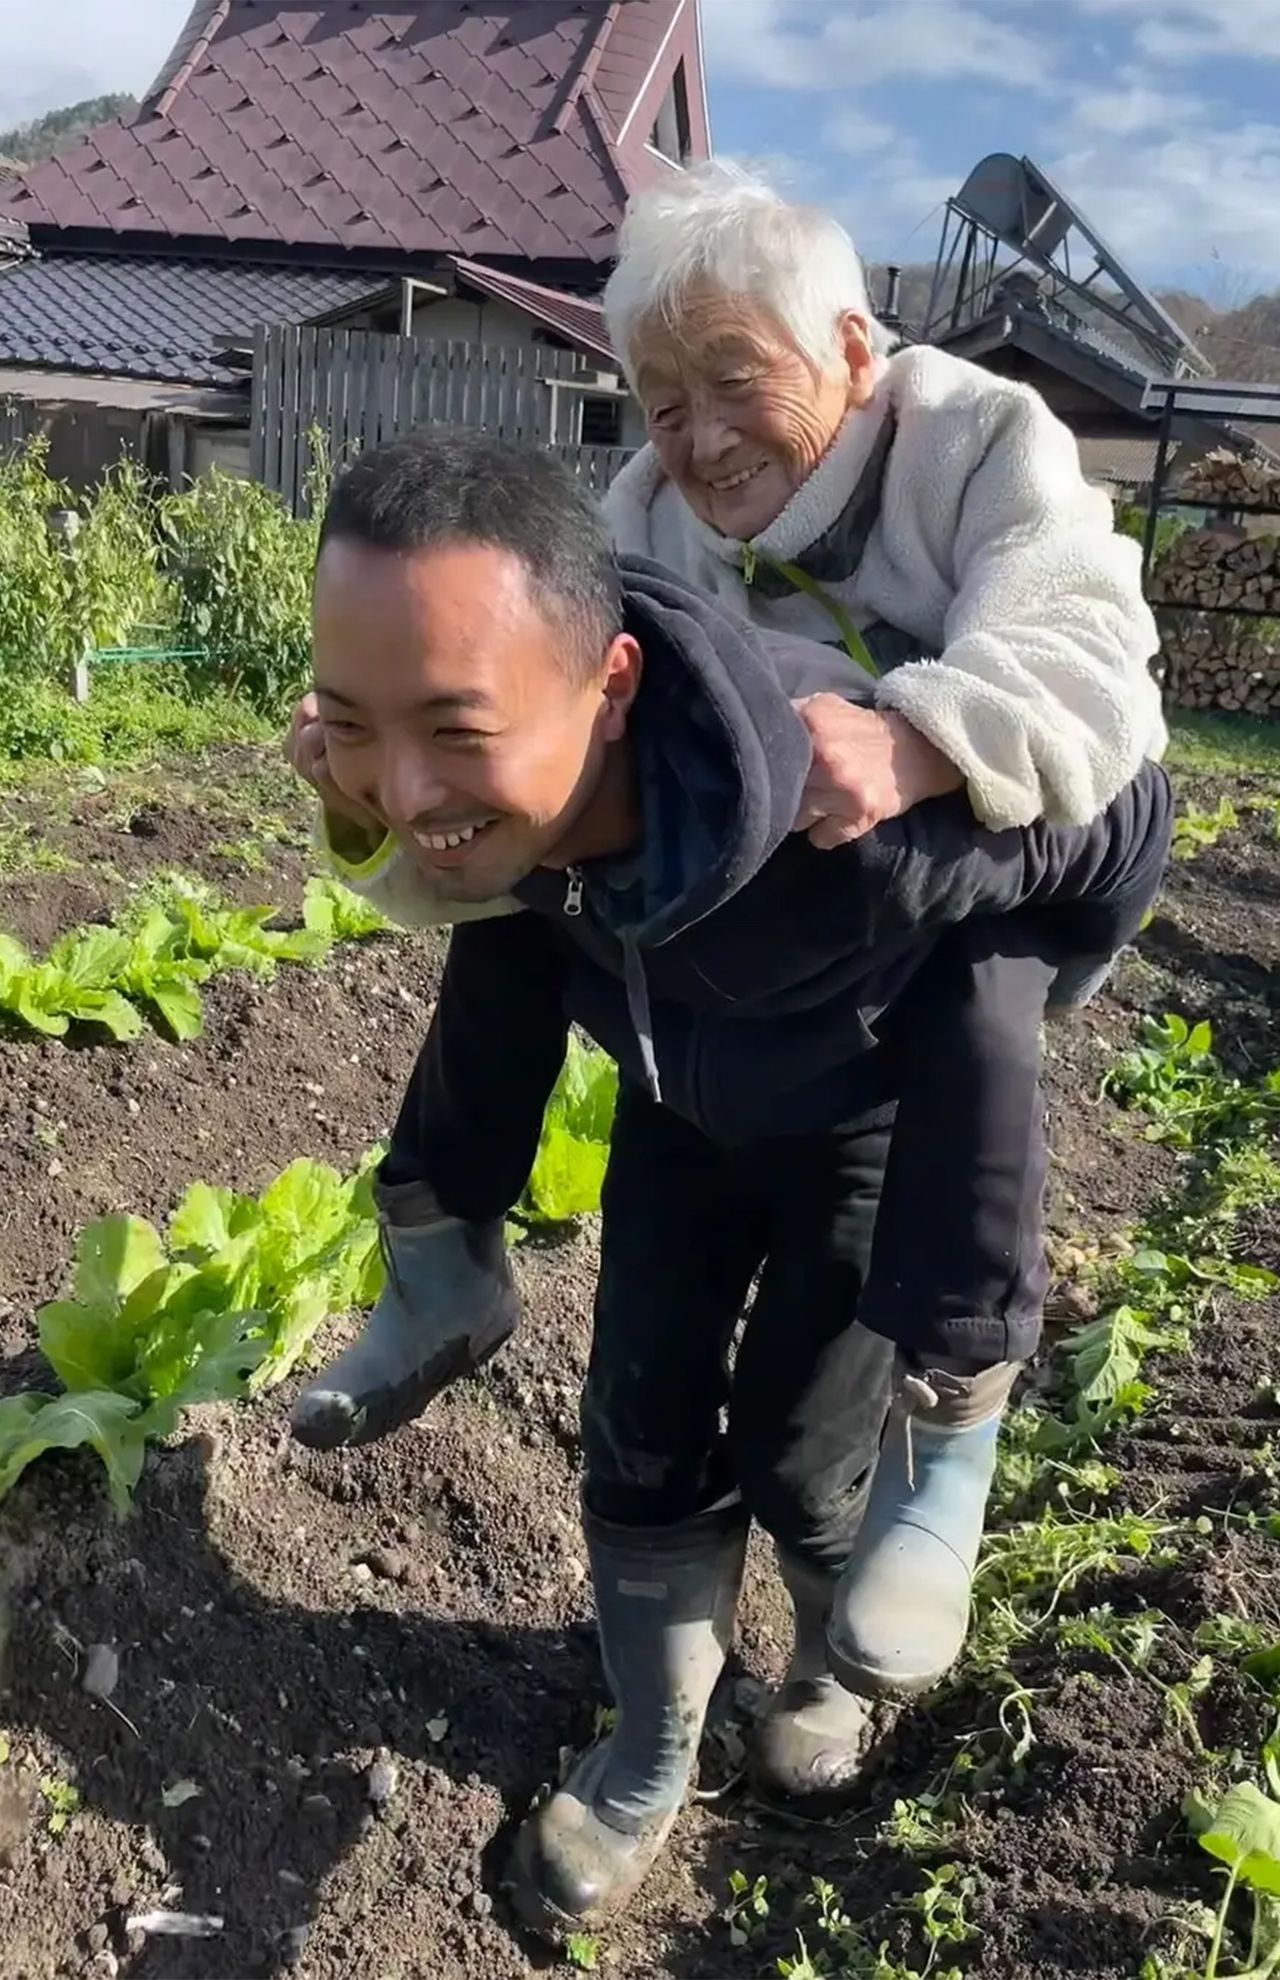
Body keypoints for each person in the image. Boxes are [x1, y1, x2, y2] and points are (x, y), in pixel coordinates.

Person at [288, 163, 1165, 1784]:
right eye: (661, 400)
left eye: (733, 381)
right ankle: (644, 1713)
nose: (695, 439)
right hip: (696, 1028)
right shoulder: (641, 523)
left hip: (897, 1010)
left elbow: (1088, 660)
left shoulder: (978, 445)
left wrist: (922, 740)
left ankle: (871, 1584)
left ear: (853, 349)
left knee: (805, 1431)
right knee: (638, 1396)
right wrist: (391, 763)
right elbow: (555, 743)